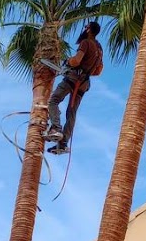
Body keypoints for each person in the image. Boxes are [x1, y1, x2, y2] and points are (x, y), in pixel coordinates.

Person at [43, 21, 103, 154]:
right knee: (71, 113)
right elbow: (98, 71)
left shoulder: (86, 43)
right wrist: (85, 71)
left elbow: (76, 60)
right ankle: (63, 144)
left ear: (88, 29)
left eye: (85, 27)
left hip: (73, 79)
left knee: (53, 100)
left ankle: (56, 129)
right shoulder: (99, 49)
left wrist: (68, 61)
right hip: (83, 84)